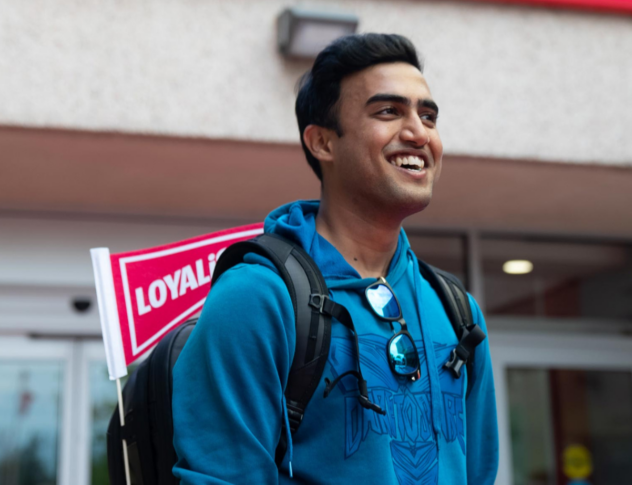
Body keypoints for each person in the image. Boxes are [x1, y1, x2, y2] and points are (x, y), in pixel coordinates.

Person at [172, 34, 499, 484]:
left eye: (428, 116)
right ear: (322, 142)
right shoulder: (256, 297)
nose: (419, 133)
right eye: (389, 112)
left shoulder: (457, 310)